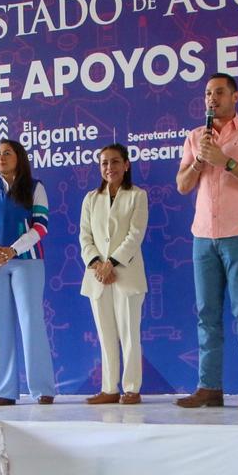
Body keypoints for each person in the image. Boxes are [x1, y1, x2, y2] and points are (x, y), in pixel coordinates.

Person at [175, 72, 238, 410]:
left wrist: (226, 161)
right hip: (203, 237)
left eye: (218, 92)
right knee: (207, 315)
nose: (211, 99)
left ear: (235, 97)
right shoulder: (195, 137)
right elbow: (183, 185)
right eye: (207, 94)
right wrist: (200, 161)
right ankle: (209, 387)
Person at [0, 138, 56, 406]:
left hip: (27, 263)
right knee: (1, 325)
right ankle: (4, 391)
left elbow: (41, 226)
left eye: (7, 153)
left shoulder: (34, 187)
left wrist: (13, 250)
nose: (1, 157)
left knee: (31, 323)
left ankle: (42, 388)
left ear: (19, 157)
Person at [79, 144, 148, 405]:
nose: (110, 167)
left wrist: (112, 264)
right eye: (105, 163)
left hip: (126, 276)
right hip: (97, 277)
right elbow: (85, 237)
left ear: (126, 165)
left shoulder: (137, 195)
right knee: (105, 335)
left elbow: (135, 235)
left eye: (115, 161)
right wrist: (98, 264)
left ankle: (131, 388)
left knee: (129, 334)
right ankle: (109, 388)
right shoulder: (90, 199)